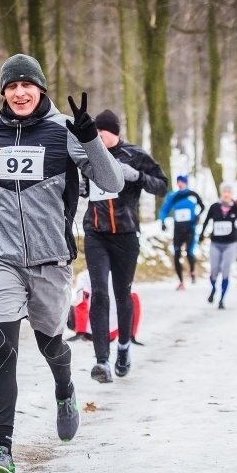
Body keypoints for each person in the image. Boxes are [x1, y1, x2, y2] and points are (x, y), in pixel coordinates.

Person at [0, 54, 123, 473]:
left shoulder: (64, 132)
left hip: (52, 261)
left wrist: (90, 138)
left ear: (41, 89)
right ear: (3, 92)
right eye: (11, 86)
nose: (19, 92)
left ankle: (64, 389)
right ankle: (2, 449)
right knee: (4, 344)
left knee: (51, 344)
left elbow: (112, 184)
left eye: (26, 85)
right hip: (3, 258)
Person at [82, 109, 167, 383]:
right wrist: (82, 188)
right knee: (98, 291)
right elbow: (74, 184)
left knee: (122, 293)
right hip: (96, 233)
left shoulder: (135, 155)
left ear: (114, 132)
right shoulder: (88, 154)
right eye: (95, 132)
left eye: (102, 132)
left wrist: (138, 177)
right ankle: (102, 361)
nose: (97, 136)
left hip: (126, 235)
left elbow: (162, 186)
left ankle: (123, 348)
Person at [198, 184, 237, 309]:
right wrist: (202, 235)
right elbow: (207, 221)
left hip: (230, 244)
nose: (226, 194)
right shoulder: (214, 207)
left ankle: (221, 299)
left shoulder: (236, 208)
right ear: (221, 193)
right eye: (224, 191)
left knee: (225, 270)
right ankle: (214, 289)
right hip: (215, 243)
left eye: (228, 192)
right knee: (214, 270)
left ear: (231, 194)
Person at [158, 175, 205, 290]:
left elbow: (202, 206)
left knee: (189, 252)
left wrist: (197, 216)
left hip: (190, 228)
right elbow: (165, 209)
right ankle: (181, 281)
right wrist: (162, 221)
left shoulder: (193, 195)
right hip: (178, 229)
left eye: (182, 182)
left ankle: (193, 270)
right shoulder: (173, 196)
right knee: (177, 254)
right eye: (178, 182)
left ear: (186, 183)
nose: (180, 184)